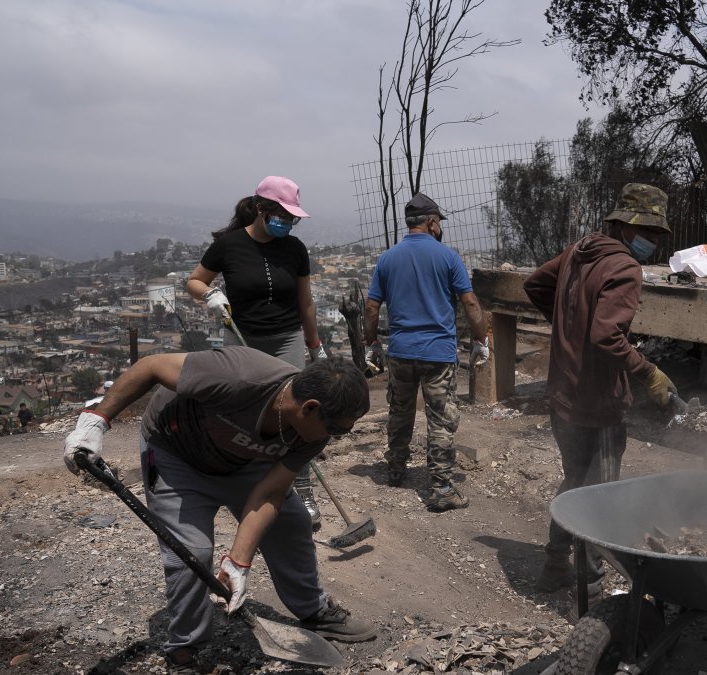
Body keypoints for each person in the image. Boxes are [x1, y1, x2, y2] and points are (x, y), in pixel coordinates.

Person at [63, 349, 377, 673]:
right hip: (174, 456)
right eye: (338, 430)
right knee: (191, 554)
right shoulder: (240, 377)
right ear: (311, 408)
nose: (337, 438)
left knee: (292, 522)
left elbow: (270, 492)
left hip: (243, 462)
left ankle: (314, 610)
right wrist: (95, 422)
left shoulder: (311, 432)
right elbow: (151, 366)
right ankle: (184, 649)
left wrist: (238, 563)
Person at [523, 183, 679, 594]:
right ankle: (589, 581)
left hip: (562, 395)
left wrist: (566, 327)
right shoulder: (625, 267)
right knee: (600, 492)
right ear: (627, 228)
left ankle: (556, 564)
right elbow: (607, 337)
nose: (654, 242)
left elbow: (536, 285)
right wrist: (648, 372)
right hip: (597, 402)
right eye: (651, 233)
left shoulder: (580, 250)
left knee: (576, 480)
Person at [187, 176, 329, 531]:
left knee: (297, 414)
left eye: (292, 218)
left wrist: (316, 347)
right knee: (237, 409)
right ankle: (238, 483)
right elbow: (194, 280)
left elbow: (306, 302)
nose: (288, 223)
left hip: (286, 339)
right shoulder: (229, 245)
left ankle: (301, 489)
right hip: (242, 339)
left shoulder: (295, 249)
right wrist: (209, 295)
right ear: (262, 209)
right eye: (282, 214)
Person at [363, 192, 490, 511]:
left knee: (400, 411)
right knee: (441, 418)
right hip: (438, 354)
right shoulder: (448, 257)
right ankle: (441, 488)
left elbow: (371, 307)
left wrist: (371, 344)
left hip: (401, 352)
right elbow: (471, 303)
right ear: (432, 223)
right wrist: (480, 340)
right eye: (439, 223)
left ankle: (395, 470)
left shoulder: (388, 258)